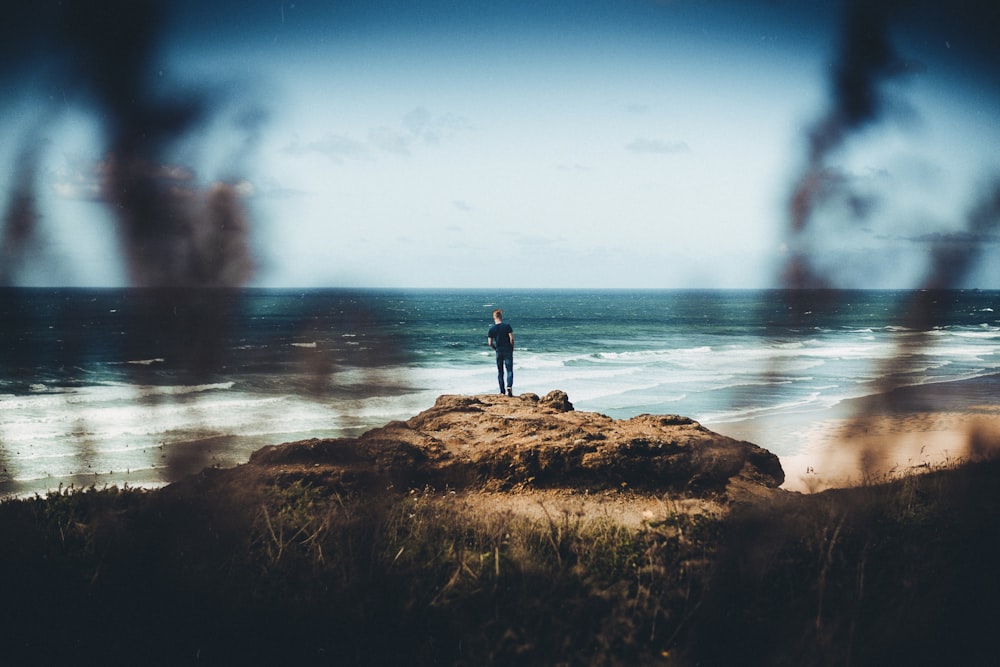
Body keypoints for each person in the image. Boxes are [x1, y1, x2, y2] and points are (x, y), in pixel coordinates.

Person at [487, 308, 514, 396]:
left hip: (499, 350)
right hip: (507, 349)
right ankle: (509, 386)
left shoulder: (491, 329)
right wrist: (511, 347)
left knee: (500, 372)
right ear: (501, 316)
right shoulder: (507, 326)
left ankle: (502, 391)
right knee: (509, 370)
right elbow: (511, 338)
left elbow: (490, 343)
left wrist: (496, 349)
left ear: (494, 317)